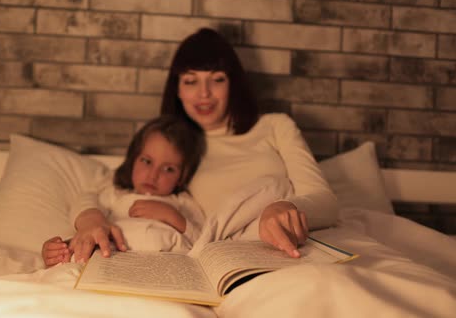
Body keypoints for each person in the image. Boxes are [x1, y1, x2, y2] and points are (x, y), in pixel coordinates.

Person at [70, 27, 339, 263]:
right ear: (177, 89)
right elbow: (101, 191)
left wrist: (286, 208)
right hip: (216, 256)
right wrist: (92, 221)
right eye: (191, 81)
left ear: (233, 83)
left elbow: (325, 203)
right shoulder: (174, 146)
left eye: (217, 79)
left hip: (287, 247)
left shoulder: (275, 127)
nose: (204, 93)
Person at [41, 116, 206, 267]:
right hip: (109, 260)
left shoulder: (181, 202)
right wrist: (61, 247)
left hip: (164, 266)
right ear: (133, 160)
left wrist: (173, 216)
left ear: (181, 177)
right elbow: (86, 204)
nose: (153, 175)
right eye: (146, 161)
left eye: (169, 169)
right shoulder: (116, 195)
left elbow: (203, 240)